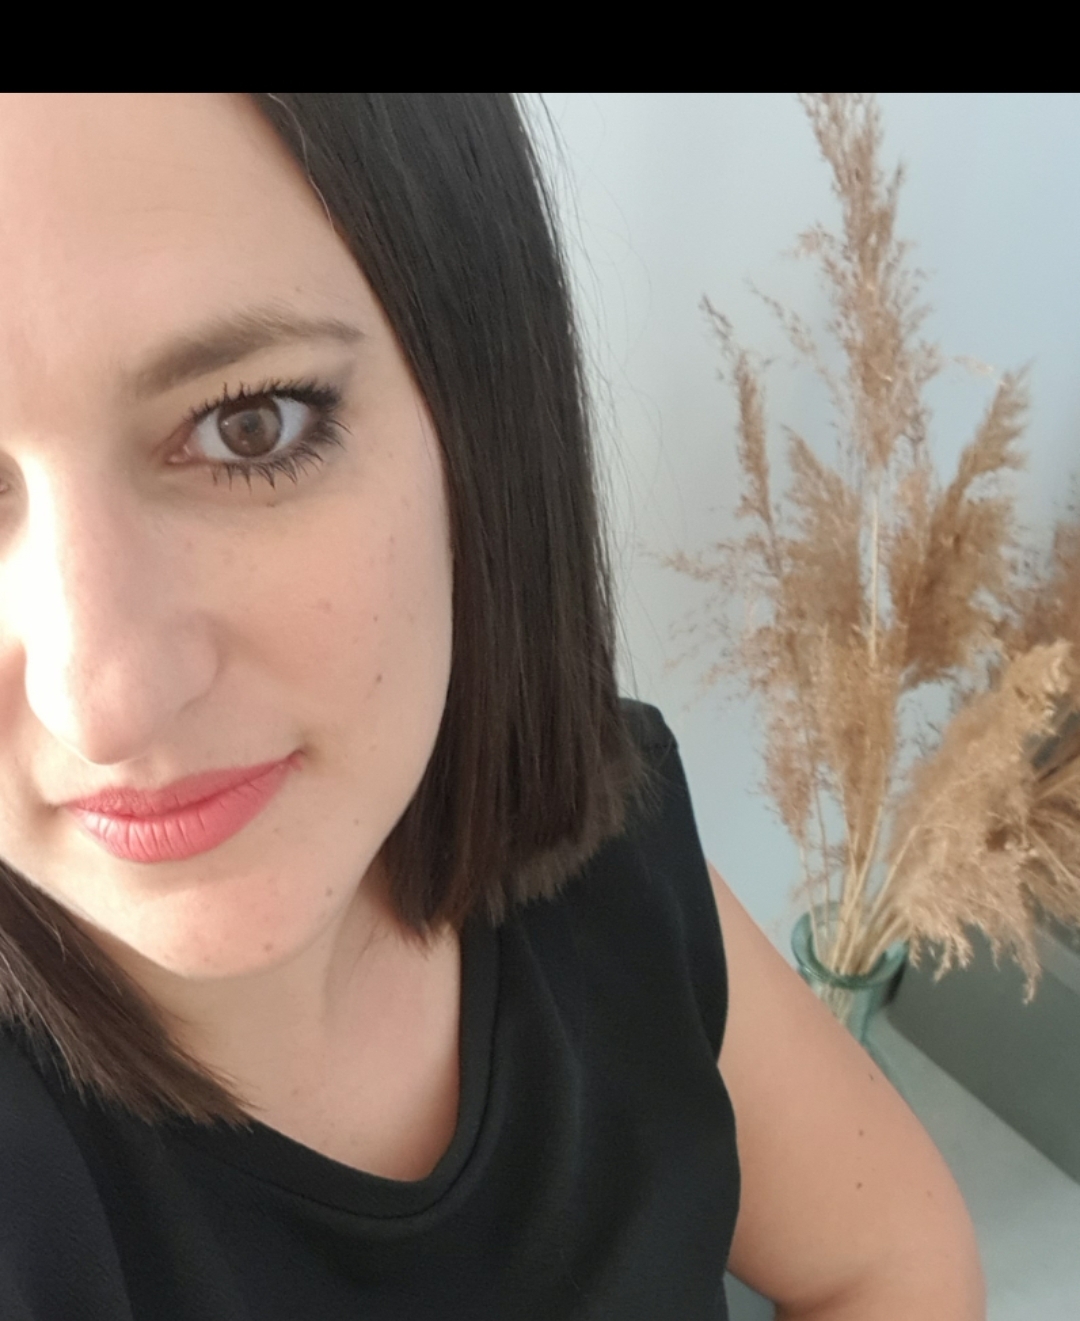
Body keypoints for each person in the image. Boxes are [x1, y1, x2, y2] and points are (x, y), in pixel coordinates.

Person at [0, 94, 984, 1320]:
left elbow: (889, 1257)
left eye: (250, 427)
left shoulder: (607, 847)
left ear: (478, 414)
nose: (104, 705)